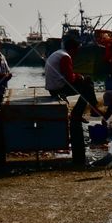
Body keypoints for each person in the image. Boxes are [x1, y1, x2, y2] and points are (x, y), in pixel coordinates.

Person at [45, 36, 99, 165]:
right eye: (77, 50)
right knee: (88, 85)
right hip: (58, 88)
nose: (77, 52)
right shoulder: (65, 56)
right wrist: (80, 77)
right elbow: (69, 78)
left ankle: (93, 108)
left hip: (53, 86)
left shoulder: (58, 53)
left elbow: (67, 76)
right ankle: (84, 111)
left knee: (86, 83)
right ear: (72, 49)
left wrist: (79, 77)